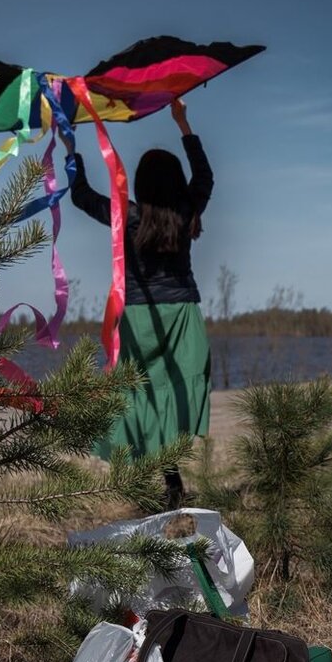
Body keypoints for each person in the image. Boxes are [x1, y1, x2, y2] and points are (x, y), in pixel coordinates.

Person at [71, 99, 213, 509]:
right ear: (175, 183)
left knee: (136, 396)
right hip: (182, 315)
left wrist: (71, 150)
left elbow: (82, 196)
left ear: (143, 182)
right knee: (172, 391)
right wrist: (183, 121)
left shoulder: (127, 216)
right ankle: (170, 478)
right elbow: (204, 176)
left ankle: (154, 477)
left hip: (138, 318)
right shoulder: (187, 211)